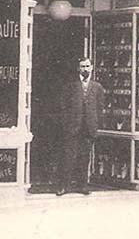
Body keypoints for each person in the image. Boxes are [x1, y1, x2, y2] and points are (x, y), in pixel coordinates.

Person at [57, 57, 104, 196]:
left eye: (87, 66)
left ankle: (82, 186)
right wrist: (67, 124)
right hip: (72, 127)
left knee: (84, 158)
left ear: (92, 67)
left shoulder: (97, 87)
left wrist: (95, 125)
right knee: (68, 157)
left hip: (88, 128)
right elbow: (63, 107)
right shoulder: (70, 86)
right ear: (78, 68)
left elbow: (100, 108)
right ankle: (64, 186)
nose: (85, 69)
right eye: (82, 66)